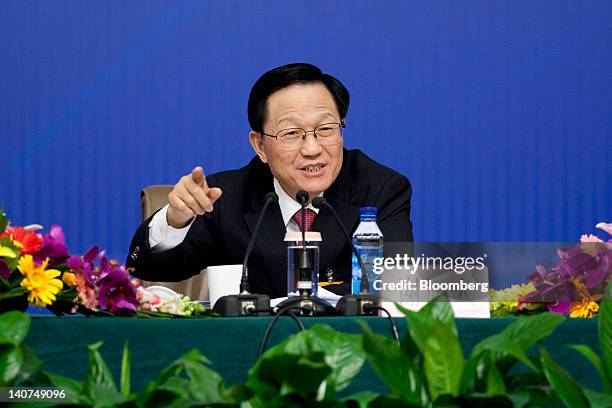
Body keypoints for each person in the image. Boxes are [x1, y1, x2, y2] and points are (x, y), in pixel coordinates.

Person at [126, 63, 413, 298]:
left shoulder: (380, 190)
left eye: (325, 129)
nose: (312, 149)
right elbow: (152, 269)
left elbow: (394, 287)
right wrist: (175, 221)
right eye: (291, 133)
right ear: (260, 145)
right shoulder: (226, 198)